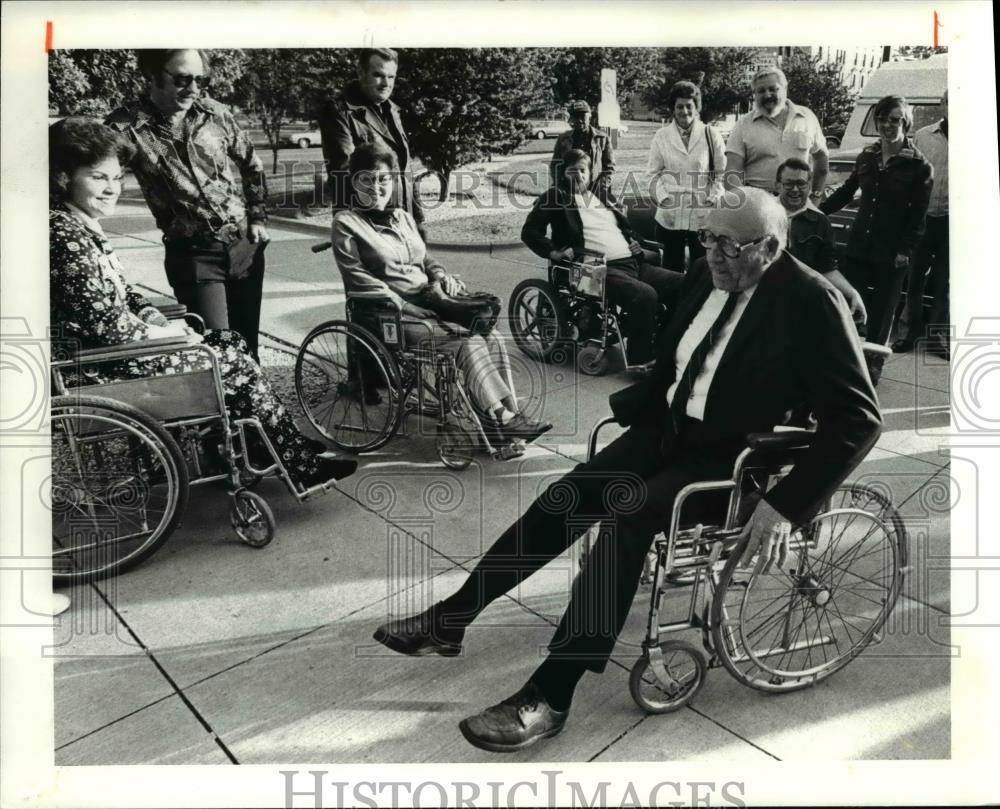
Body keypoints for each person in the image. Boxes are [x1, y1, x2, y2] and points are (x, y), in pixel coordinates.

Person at [374, 187, 881, 753]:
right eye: (706, 238)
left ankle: (552, 693)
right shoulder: (708, 272)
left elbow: (858, 420)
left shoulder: (811, 303)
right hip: (666, 432)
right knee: (564, 499)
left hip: (731, 462)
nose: (712, 254)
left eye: (728, 246)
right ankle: (453, 618)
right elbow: (675, 339)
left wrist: (785, 507)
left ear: (768, 246)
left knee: (627, 518)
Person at [50, 117, 356, 492]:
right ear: (63, 176)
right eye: (99, 178)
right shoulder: (64, 236)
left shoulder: (78, 224)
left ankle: (273, 444)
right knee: (230, 361)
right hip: (100, 370)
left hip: (116, 356)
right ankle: (292, 458)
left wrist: (157, 320)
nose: (112, 188)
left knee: (230, 342)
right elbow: (107, 325)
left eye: (117, 178)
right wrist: (166, 334)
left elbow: (125, 295)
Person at [331, 143, 551, 445]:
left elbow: (424, 258)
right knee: (465, 341)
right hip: (389, 315)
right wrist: (405, 306)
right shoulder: (346, 223)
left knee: (490, 336)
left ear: (393, 181)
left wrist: (441, 275)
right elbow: (357, 278)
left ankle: (501, 420)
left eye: (383, 179)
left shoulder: (403, 217)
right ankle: (504, 420)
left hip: (432, 300)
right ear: (354, 182)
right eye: (366, 179)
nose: (376, 187)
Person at [107, 49, 269, 361]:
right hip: (194, 255)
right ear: (153, 75)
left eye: (200, 79)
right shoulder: (126, 127)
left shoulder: (216, 113)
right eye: (182, 79)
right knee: (217, 352)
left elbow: (253, 165)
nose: (193, 89)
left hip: (244, 242)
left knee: (248, 348)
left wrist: (258, 217)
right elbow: (91, 167)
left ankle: (254, 410)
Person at [523, 149, 684, 366]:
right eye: (572, 171)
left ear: (590, 173)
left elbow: (622, 228)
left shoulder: (600, 194)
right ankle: (641, 358)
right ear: (563, 174)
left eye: (583, 170)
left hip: (632, 263)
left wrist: (633, 241)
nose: (579, 176)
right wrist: (554, 252)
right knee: (646, 296)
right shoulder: (555, 197)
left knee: (683, 283)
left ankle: (666, 343)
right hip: (595, 270)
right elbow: (530, 231)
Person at [821, 95, 933, 379]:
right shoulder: (867, 157)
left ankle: (871, 372)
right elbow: (847, 191)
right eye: (882, 120)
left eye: (894, 120)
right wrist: (817, 212)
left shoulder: (919, 166)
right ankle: (845, 364)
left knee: (882, 316)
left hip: (892, 253)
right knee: (848, 306)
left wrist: (904, 251)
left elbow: (919, 217)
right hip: (860, 247)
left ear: (905, 123)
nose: (887, 125)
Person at [319, 48, 424, 235]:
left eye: (391, 77)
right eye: (378, 75)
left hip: (402, 222)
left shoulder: (392, 111)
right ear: (361, 72)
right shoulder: (339, 112)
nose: (386, 83)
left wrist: (418, 220)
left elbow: (405, 170)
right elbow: (344, 174)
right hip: (368, 226)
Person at [645, 81, 727, 271]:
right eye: (679, 106)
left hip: (702, 214)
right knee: (671, 269)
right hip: (670, 214)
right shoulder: (661, 136)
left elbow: (722, 173)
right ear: (673, 109)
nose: (684, 111)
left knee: (702, 268)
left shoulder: (711, 134)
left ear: (696, 108)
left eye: (689, 106)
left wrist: (713, 198)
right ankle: (673, 302)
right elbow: (651, 174)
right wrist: (663, 198)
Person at [893, 90, 949, 359]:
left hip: (952, 221)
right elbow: (908, 174)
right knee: (913, 280)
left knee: (945, 283)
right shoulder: (924, 136)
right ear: (943, 104)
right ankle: (907, 335)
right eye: (951, 103)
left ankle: (937, 339)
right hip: (922, 219)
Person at [776, 157, 866, 324]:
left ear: (809, 186)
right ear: (778, 185)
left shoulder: (820, 222)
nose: (795, 189)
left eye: (801, 184)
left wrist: (852, 293)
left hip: (801, 302)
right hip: (764, 299)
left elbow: (827, 268)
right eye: (789, 183)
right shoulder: (763, 215)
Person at [725, 68, 828, 197]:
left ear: (785, 89)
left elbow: (821, 158)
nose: (767, 95)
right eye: (761, 91)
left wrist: (816, 195)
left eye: (773, 89)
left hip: (798, 201)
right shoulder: (743, 124)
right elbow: (732, 172)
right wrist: (744, 205)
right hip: (759, 204)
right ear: (754, 94)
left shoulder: (807, 117)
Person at [548, 100, 615, 193]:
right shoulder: (563, 139)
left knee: (613, 206)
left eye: (582, 116)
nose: (579, 120)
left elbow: (609, 167)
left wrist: (602, 186)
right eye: (575, 117)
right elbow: (555, 165)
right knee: (545, 202)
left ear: (589, 117)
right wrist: (560, 185)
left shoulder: (603, 138)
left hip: (596, 188)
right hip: (568, 187)